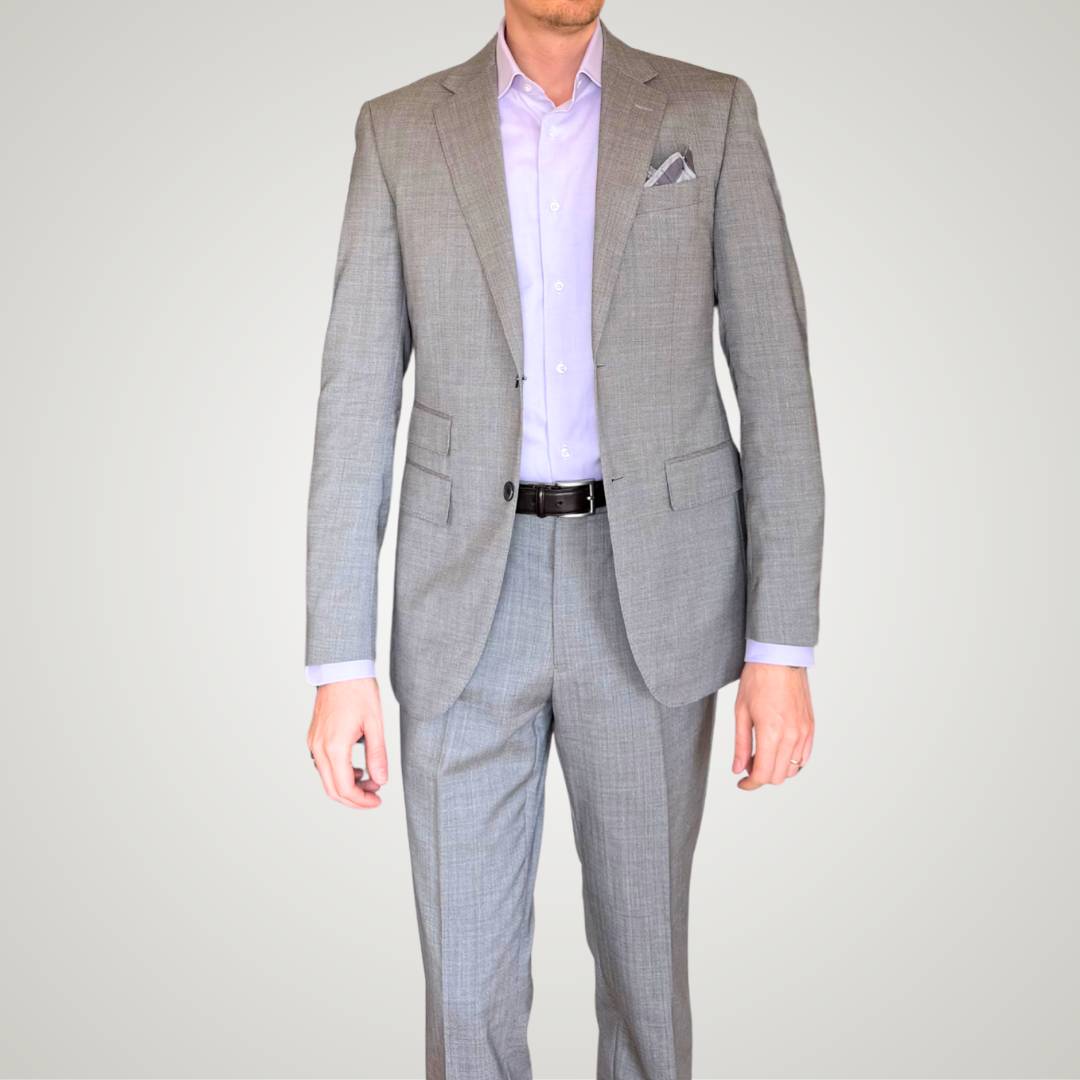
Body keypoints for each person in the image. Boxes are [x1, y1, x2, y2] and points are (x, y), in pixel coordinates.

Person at [305, 1, 824, 1075]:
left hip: (649, 595)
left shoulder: (708, 114)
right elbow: (355, 397)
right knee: (465, 997)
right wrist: (338, 662)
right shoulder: (399, 130)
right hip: (461, 601)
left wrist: (781, 647)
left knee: (646, 984)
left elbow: (777, 382)